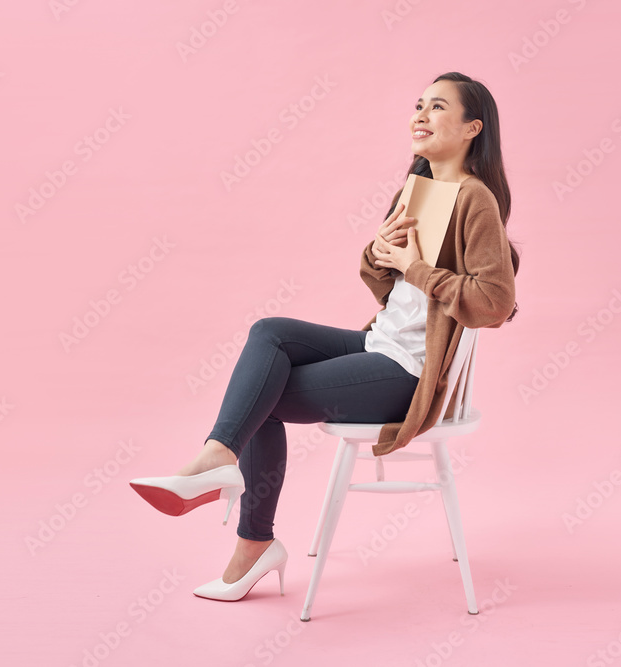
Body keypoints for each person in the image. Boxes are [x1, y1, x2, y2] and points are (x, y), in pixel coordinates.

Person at [129, 71, 520, 602]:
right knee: (269, 334)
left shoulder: (476, 201)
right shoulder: (419, 190)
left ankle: (247, 531)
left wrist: (418, 267)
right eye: (418, 104)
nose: (421, 115)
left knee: (259, 399)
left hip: (410, 371)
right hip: (378, 345)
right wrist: (380, 254)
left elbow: (494, 303)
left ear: (473, 128)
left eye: (437, 107)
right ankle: (223, 464)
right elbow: (388, 286)